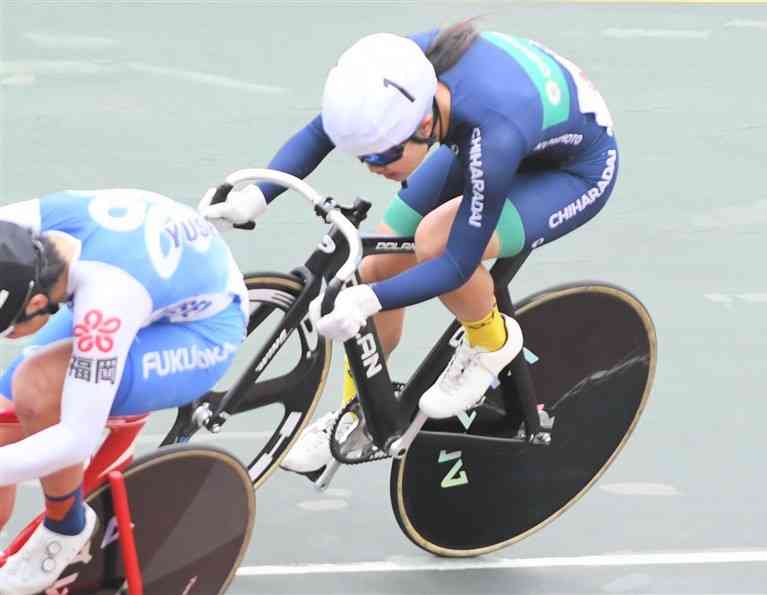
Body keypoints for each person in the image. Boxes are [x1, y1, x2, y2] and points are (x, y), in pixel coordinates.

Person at [200, 20, 618, 475]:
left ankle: (490, 341)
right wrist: (256, 195)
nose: (370, 167)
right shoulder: (396, 74)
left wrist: (367, 301)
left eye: (380, 156)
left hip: (572, 170)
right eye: (363, 155)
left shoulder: (491, 132)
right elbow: (323, 131)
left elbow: (457, 262)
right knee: (378, 265)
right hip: (508, 125)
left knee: (436, 241)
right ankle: (357, 413)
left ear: (422, 124)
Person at [0, 189, 248, 594]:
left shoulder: (106, 301)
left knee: (37, 387)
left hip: (199, 331)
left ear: (39, 302)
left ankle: (66, 528)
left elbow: (73, 440)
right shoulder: (14, 229)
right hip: (148, 279)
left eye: (7, 329)